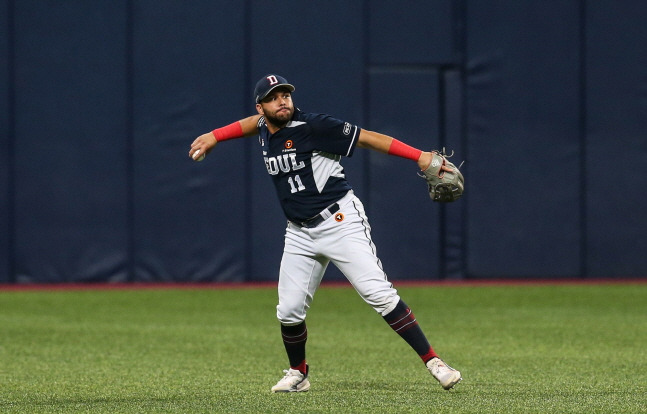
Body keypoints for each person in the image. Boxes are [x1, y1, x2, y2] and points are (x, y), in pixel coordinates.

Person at [189, 74, 462, 392]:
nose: (283, 101)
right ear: (261, 107)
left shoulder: (313, 126)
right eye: (274, 97)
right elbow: (251, 123)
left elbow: (367, 138)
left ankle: (434, 362)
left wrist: (420, 156)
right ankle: (298, 374)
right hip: (299, 232)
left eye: (286, 95)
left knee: (379, 293)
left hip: (340, 222)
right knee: (289, 310)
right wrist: (215, 136)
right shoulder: (264, 126)